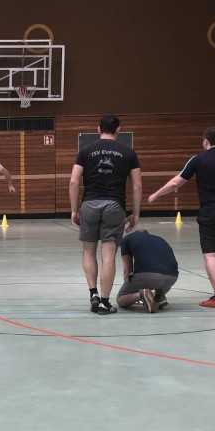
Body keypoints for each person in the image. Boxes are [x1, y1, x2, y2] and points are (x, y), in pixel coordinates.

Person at [148, 127, 215, 309]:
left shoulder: (198, 159)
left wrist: (156, 195)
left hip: (210, 211)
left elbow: (176, 182)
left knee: (210, 254)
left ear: (205, 141)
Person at [69, 115, 142, 315]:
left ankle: (92, 293)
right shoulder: (128, 153)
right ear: (118, 129)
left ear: (98, 129)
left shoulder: (85, 151)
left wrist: (75, 209)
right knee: (108, 254)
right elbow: (137, 185)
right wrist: (135, 213)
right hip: (114, 206)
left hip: (89, 204)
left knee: (88, 251)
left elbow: (74, 181)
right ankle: (104, 301)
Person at [117, 229, 179, 313]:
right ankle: (159, 296)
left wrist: (129, 289)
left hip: (148, 276)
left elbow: (127, 270)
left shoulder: (127, 239)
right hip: (172, 277)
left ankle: (142, 294)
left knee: (121, 299)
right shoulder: (160, 239)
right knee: (154, 278)